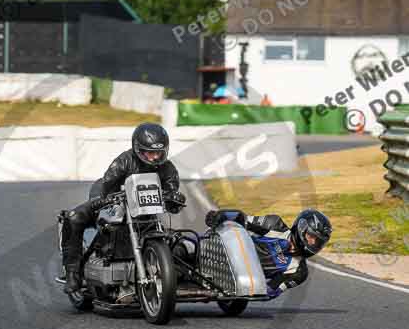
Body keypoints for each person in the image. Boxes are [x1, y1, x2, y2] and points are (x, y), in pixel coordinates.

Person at [61, 123, 186, 294]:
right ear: (138, 149)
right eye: (150, 153)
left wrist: (175, 198)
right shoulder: (124, 161)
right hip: (114, 204)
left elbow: (173, 202)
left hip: (145, 216)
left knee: (176, 242)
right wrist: (104, 199)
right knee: (74, 217)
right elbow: (106, 185)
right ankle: (72, 272)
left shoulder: (168, 169)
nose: (154, 157)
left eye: (158, 152)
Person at [204, 208, 332, 298]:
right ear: (301, 228)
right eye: (311, 237)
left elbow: (271, 289)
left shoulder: (299, 271)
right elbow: (242, 219)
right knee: (189, 247)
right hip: (225, 248)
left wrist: (268, 290)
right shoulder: (275, 225)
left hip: (239, 278)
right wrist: (219, 216)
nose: (313, 243)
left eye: (318, 242)